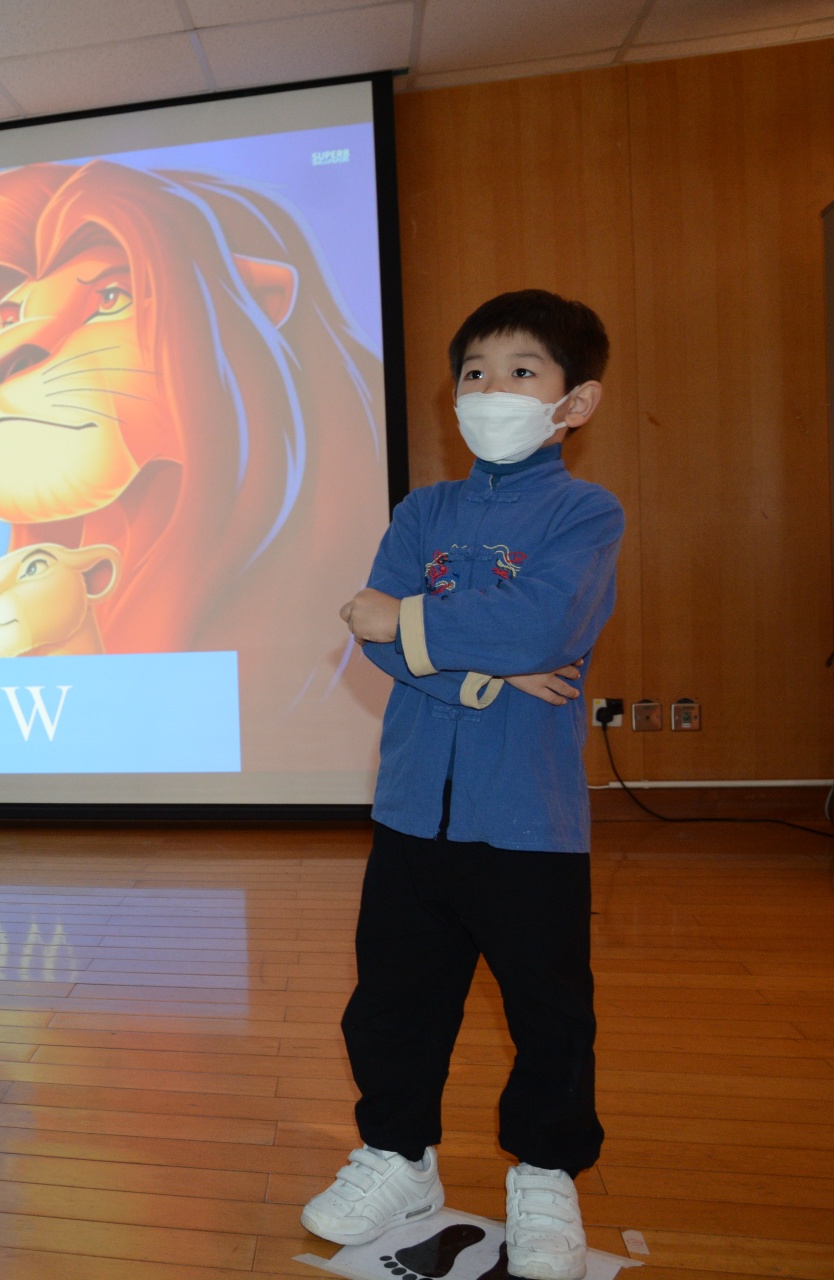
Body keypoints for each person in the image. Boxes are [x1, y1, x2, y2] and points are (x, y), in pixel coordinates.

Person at [303, 290, 624, 1280]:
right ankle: (398, 1158)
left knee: (548, 1011)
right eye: (476, 372)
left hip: (527, 818)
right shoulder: (423, 513)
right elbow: (371, 639)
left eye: (522, 371)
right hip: (411, 811)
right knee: (392, 1003)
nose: (492, 389)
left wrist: (418, 629)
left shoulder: (584, 512)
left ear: (574, 401)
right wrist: (489, 669)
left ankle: (546, 1171)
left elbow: (543, 627)